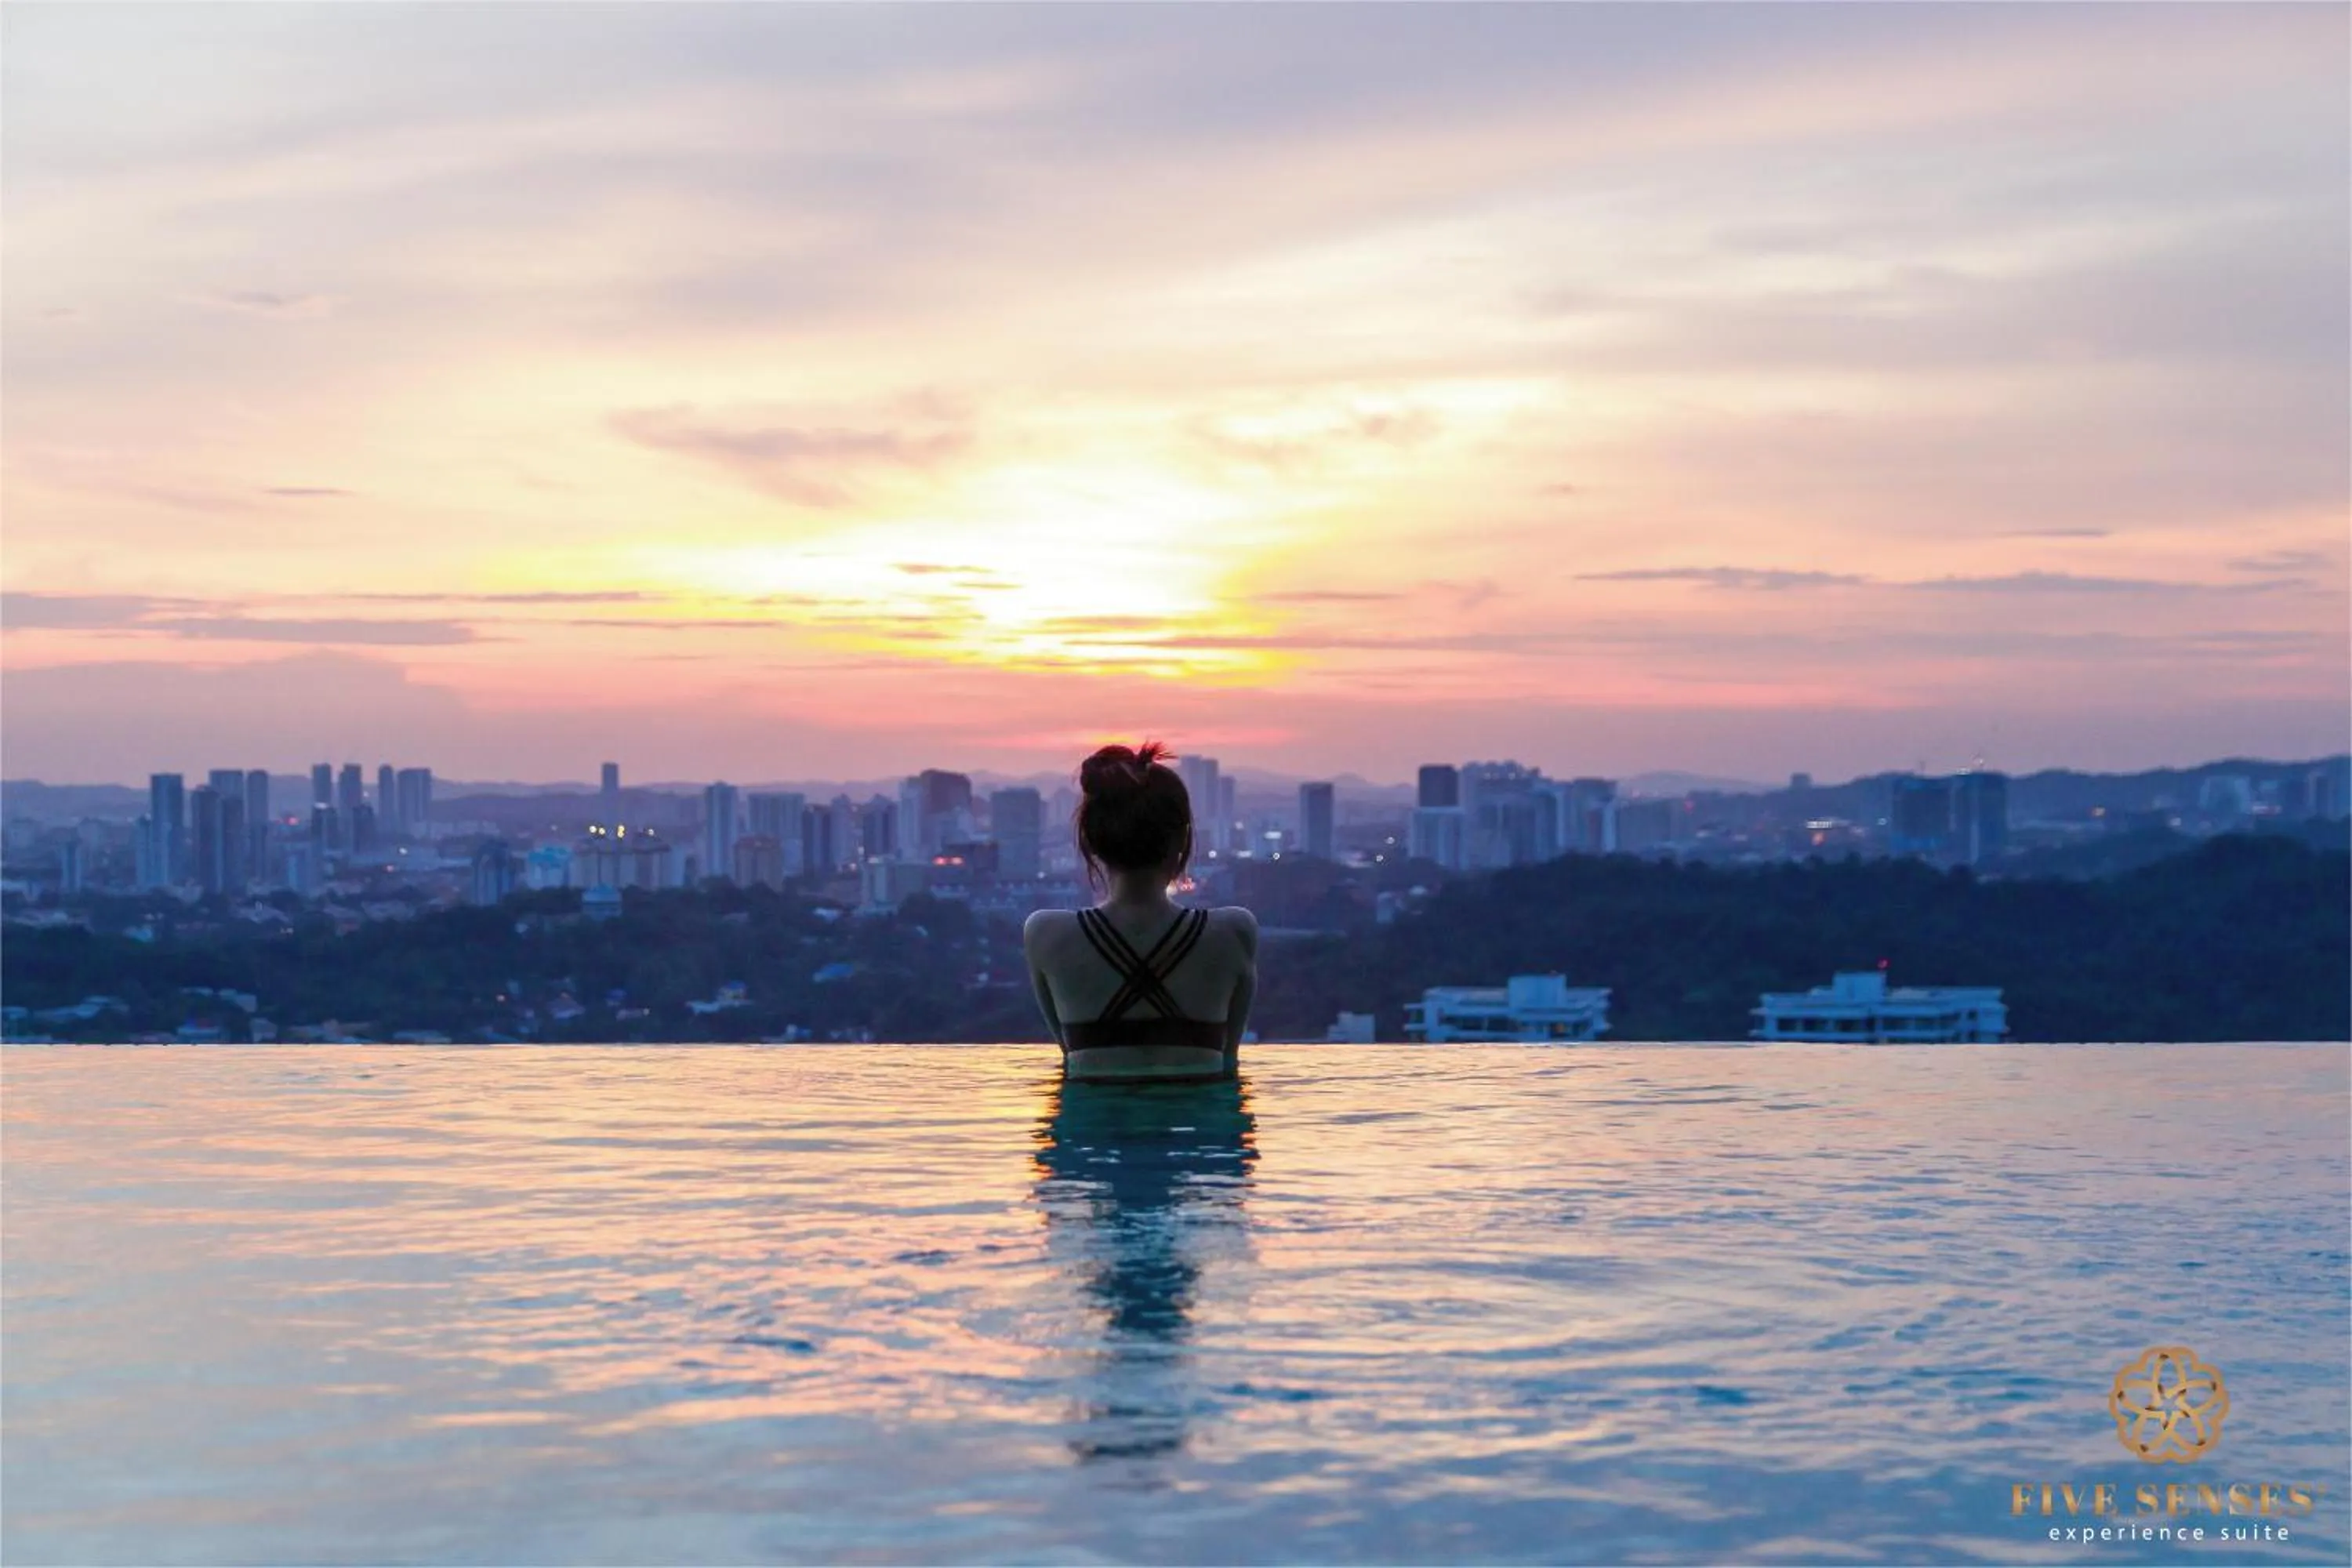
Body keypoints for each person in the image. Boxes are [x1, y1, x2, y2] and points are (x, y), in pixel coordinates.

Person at [1023, 742, 1258, 1081]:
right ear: (1181, 840)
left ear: (1089, 840)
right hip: (1200, 1129)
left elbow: (1069, 1058)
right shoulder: (1234, 931)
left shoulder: (1045, 934)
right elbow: (1228, 1063)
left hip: (1091, 1131)